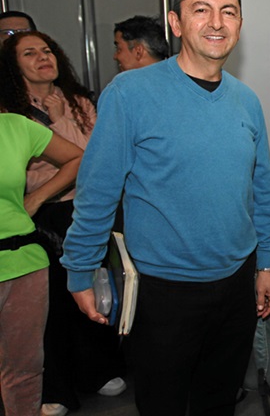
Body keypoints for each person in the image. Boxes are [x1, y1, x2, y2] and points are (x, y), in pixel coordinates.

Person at [61, 0, 270, 416]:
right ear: (176, 23)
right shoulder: (130, 93)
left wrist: (266, 263)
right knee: (162, 406)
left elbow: (260, 190)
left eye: (228, 12)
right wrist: (79, 270)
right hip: (164, 293)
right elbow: (97, 191)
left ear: (240, 24)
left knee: (218, 402)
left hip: (236, 285)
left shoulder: (247, 100)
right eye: (202, 10)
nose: (217, 22)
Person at [0, 30, 125, 416]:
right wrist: (36, 197)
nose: (43, 57)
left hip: (80, 211)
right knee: (46, 309)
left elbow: (94, 159)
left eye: (48, 50)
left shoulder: (79, 102)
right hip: (33, 220)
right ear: (11, 65)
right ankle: (55, 390)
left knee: (90, 295)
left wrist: (58, 121)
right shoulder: (10, 112)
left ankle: (97, 371)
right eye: (30, 53)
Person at [0, 113, 82, 416]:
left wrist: (35, 199)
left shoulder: (15, 126)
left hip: (25, 263)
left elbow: (76, 158)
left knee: (25, 371)